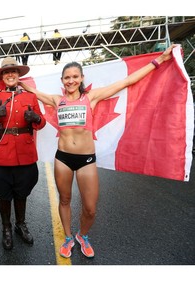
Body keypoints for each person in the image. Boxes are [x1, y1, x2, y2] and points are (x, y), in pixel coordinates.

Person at [19, 44, 177, 258]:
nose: (71, 80)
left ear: (81, 78)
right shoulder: (58, 100)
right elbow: (32, 90)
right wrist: (13, 79)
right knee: (64, 200)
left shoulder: (91, 97)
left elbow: (128, 81)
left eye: (75, 76)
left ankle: (82, 236)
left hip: (86, 159)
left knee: (90, 208)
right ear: (62, 81)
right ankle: (67, 237)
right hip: (63, 159)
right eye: (67, 77)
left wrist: (161, 59)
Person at [0, 56, 46, 250]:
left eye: (13, 71)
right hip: (1, 155)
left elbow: (41, 123)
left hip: (25, 153)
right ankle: (6, 227)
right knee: (3, 194)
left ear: (18, 75)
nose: (10, 74)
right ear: (2, 76)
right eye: (6, 72)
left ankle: (20, 224)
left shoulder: (30, 97)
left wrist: (36, 118)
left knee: (22, 191)